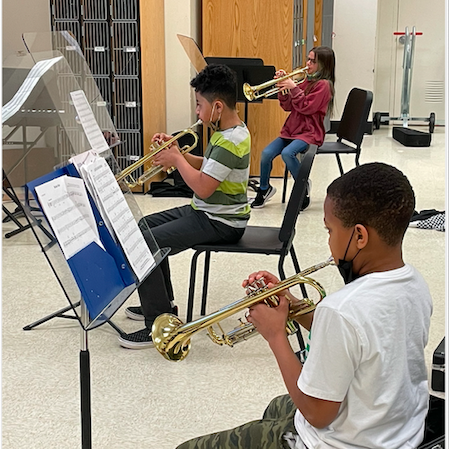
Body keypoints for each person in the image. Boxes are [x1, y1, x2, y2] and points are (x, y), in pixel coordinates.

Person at [177, 162, 433, 448]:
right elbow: (363, 339)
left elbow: (317, 414)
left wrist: (275, 336)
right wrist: (294, 305)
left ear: (359, 236)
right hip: (397, 430)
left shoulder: (342, 310)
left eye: (330, 231)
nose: (329, 242)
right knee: (277, 407)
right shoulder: (415, 284)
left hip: (340, 441)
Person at [118, 64, 251, 349]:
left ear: (217, 106)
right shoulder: (228, 132)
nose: (197, 112)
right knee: (142, 229)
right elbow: (209, 168)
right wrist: (177, 153)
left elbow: (204, 185)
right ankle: (163, 307)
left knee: (144, 242)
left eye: (199, 105)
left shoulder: (232, 140)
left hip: (222, 223)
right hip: (206, 211)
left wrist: (176, 160)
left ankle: (158, 324)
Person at [251, 46, 335, 209]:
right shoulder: (305, 81)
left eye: (313, 61)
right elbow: (289, 106)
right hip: (292, 130)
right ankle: (264, 189)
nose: (308, 63)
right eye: (308, 59)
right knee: (266, 154)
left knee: (288, 153)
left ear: (323, 65)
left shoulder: (324, 86)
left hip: (310, 132)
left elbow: (306, 107)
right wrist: (283, 90)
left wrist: (293, 88)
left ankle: (302, 188)